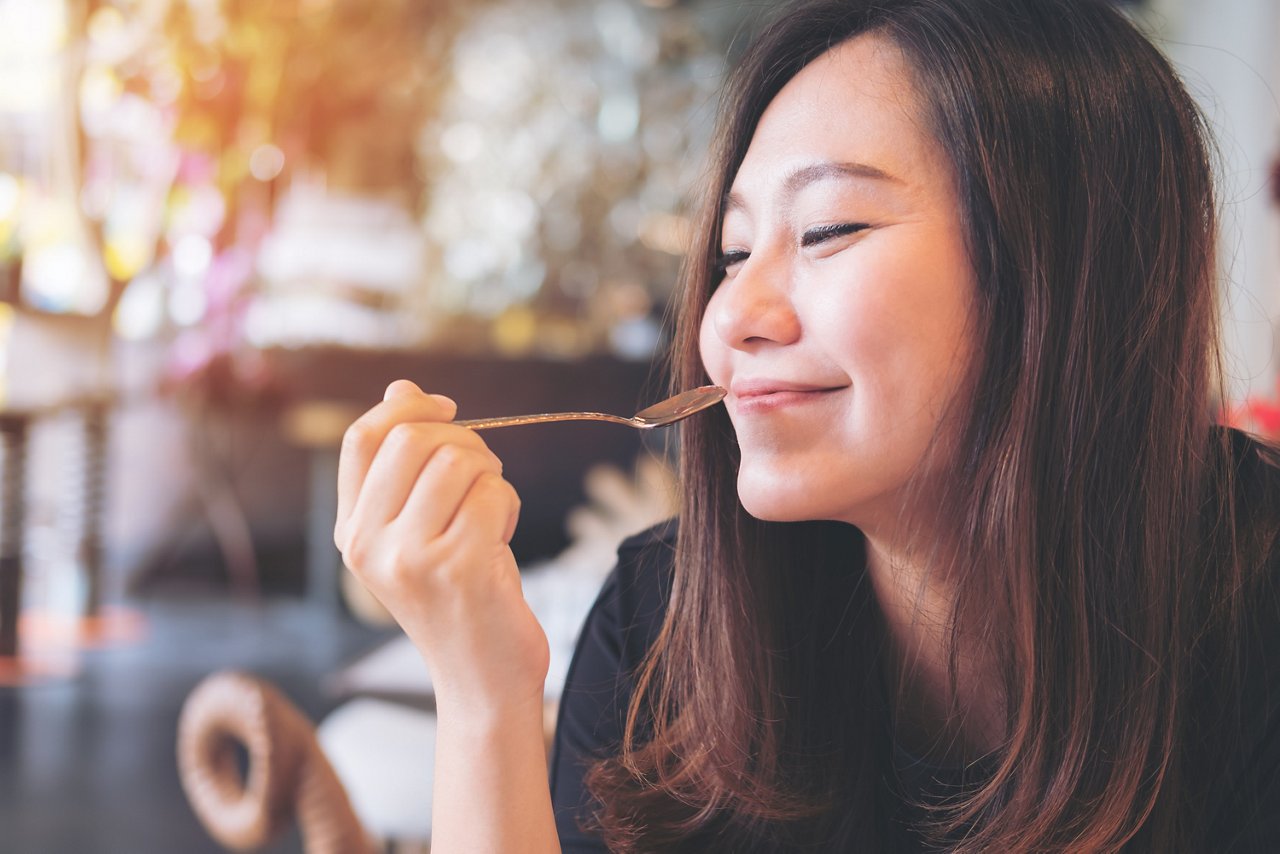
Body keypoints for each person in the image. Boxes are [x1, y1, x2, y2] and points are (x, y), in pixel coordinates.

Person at [334, 0, 1280, 850]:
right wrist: (481, 693)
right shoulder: (662, 633)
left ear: (1066, 270)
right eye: (733, 251)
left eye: (828, 230)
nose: (731, 317)